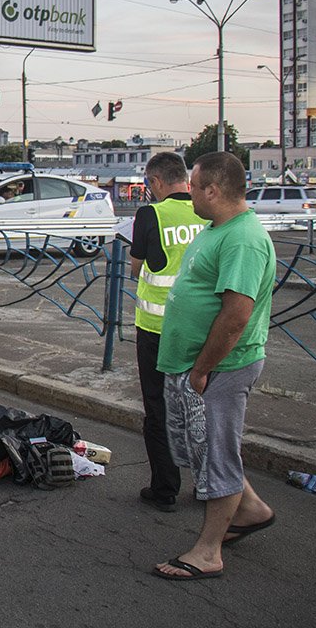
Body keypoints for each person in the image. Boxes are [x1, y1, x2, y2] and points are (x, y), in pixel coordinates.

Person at [152, 151, 277, 582]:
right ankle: (252, 509)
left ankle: (208, 552)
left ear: (212, 190)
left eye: (194, 185)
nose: (188, 192)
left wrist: (203, 369)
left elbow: (236, 315)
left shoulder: (243, 239)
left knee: (218, 456)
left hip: (222, 367)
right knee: (208, 451)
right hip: (197, 365)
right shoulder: (217, 228)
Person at [130, 152, 208, 513]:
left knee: (159, 409)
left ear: (157, 182)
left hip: (157, 329)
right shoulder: (207, 212)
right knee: (202, 407)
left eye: (149, 185)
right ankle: (209, 486)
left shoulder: (150, 214)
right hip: (203, 328)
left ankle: (165, 488)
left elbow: (136, 269)